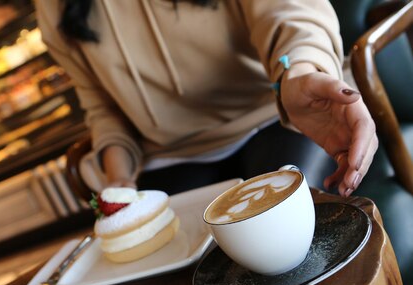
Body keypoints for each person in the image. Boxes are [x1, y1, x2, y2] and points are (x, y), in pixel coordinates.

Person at [35, 0, 378, 197]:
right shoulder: (51, 8)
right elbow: (101, 106)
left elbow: (288, 12)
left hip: (270, 111)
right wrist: (119, 179)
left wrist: (302, 71)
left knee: (283, 219)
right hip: (174, 153)